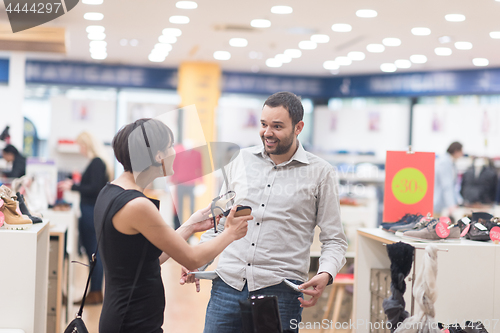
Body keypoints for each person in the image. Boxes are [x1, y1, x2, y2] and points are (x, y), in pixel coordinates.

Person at [181, 91, 348, 333]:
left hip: (280, 294)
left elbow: (334, 239)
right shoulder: (239, 160)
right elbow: (218, 223)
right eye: (263, 124)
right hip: (227, 286)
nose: (267, 133)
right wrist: (197, 260)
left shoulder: (321, 173)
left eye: (277, 126)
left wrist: (326, 273)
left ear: (298, 127)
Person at [95, 118, 251, 332]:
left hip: (124, 315)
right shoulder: (137, 205)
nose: (173, 152)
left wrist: (189, 226)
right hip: (132, 322)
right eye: (169, 146)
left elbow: (147, 259)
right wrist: (230, 233)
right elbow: (192, 258)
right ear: (158, 155)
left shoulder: (111, 191)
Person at [58, 132, 113, 304]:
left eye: (81, 146)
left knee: (93, 254)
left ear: (87, 145)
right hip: (91, 210)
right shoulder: (99, 162)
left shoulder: (96, 162)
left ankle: (95, 292)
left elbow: (94, 188)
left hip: (91, 211)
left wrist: (73, 186)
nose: (80, 150)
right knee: (94, 253)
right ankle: (95, 291)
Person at [434, 141, 463, 216]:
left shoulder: (451, 163)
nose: (462, 154)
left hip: (442, 204)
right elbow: (447, 185)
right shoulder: (445, 163)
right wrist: (451, 205)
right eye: (461, 151)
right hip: (438, 204)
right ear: (456, 151)